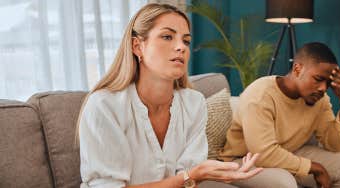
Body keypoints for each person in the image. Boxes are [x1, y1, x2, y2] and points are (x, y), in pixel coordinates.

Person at [78, 3, 262, 188]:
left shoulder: (194, 102)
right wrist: (190, 177)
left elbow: (189, 178)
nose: (181, 47)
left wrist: (198, 175)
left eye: (186, 41)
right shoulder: (104, 105)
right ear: (137, 46)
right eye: (167, 37)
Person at [219, 42, 340, 188]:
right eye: (319, 79)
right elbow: (263, 154)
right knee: (284, 183)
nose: (323, 88)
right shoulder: (260, 96)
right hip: (244, 161)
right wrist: (314, 168)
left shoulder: (319, 99)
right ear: (297, 69)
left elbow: (335, 145)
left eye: (328, 83)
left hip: (289, 151)